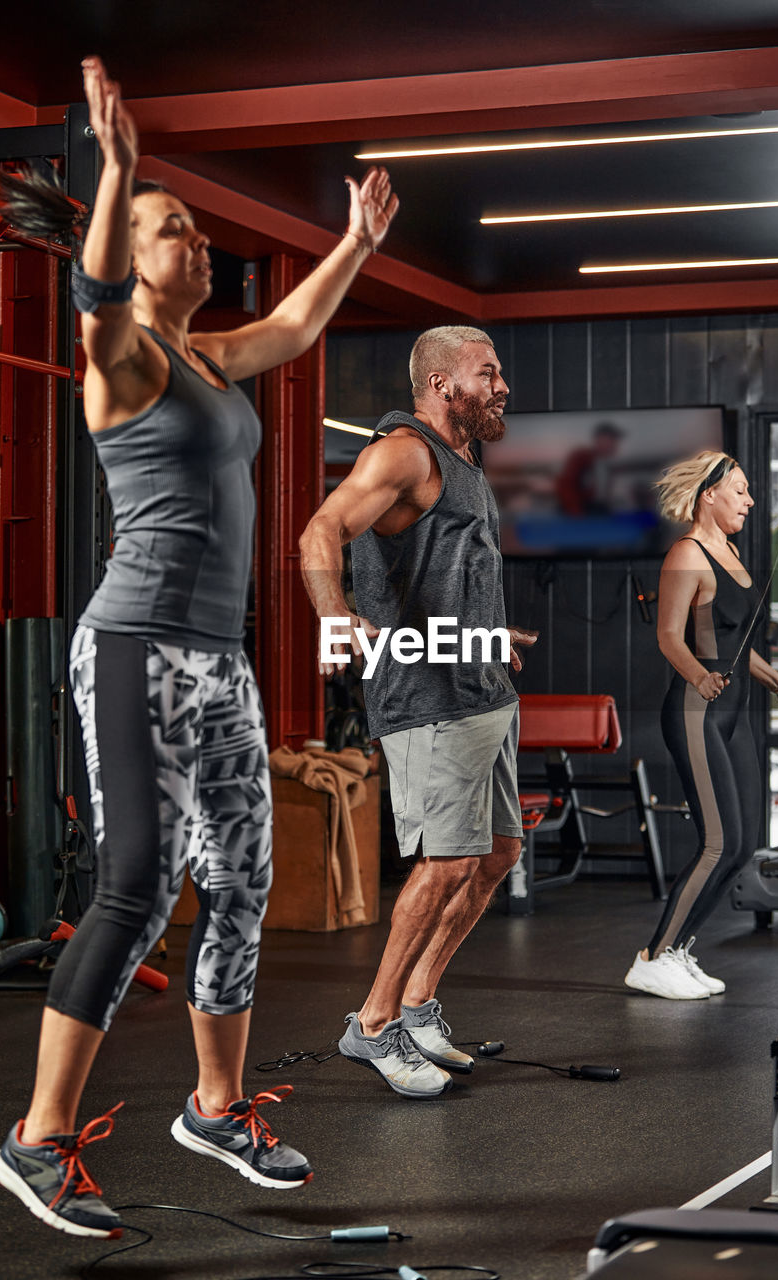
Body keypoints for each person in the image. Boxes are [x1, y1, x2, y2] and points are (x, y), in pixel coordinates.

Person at [0, 56, 397, 1237]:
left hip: (216, 656)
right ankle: (36, 1138)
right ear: (131, 250)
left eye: (199, 230)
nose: (198, 243)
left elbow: (294, 321)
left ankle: (215, 1105)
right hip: (135, 646)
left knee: (244, 882)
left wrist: (357, 244)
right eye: (179, 231)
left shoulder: (214, 356)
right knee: (134, 885)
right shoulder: (117, 362)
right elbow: (101, 285)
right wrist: (116, 174)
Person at [300, 325, 537, 1099]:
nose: (501, 386)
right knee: (446, 863)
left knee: (497, 854)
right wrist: (336, 618)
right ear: (441, 385)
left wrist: (486, 634)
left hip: (481, 692)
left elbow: (446, 571)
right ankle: (371, 1025)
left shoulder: (463, 457)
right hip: (426, 698)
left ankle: (417, 1003)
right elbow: (320, 531)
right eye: (487, 373)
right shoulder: (403, 452)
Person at [624, 451, 778, 1000]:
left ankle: (679, 950)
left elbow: (737, 643)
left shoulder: (730, 553)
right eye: (742, 491)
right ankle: (653, 958)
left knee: (745, 843)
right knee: (717, 841)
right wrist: (700, 678)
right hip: (695, 709)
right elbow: (669, 638)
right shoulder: (687, 555)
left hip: (734, 712)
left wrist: (774, 678)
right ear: (710, 494)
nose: (750, 501)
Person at [555, 420, 624, 516]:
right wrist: (576, 513)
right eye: (611, 439)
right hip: (578, 513)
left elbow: (602, 494)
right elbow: (566, 485)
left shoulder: (606, 464)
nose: (615, 444)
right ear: (599, 439)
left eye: (615, 440)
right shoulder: (581, 457)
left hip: (597, 510)